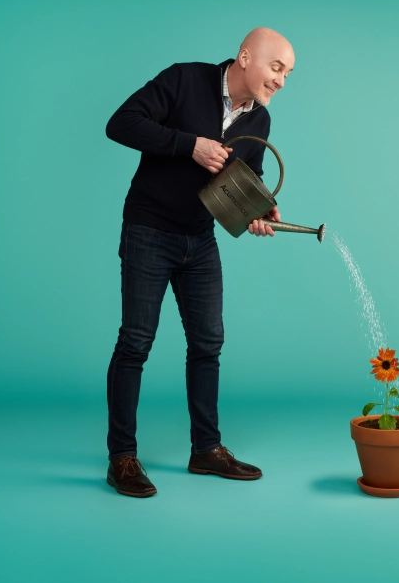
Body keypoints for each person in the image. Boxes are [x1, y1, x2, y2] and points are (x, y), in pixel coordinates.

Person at [103, 28, 294, 498]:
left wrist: (258, 207)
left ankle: (206, 450)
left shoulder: (261, 121)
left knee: (209, 343)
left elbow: (246, 175)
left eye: (288, 74)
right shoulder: (185, 80)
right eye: (277, 68)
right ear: (246, 57)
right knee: (135, 343)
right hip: (149, 229)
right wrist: (190, 145)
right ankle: (122, 458)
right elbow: (120, 123)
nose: (282, 81)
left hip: (200, 239)